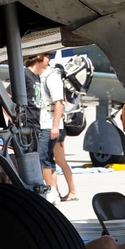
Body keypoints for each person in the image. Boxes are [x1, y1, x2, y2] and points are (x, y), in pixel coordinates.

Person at [36, 54, 77, 202]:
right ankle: (58, 191)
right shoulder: (43, 75)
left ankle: (58, 191)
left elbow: (58, 103)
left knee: (52, 159)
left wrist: (55, 126)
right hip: (53, 124)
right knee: (55, 160)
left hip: (53, 124)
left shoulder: (51, 76)